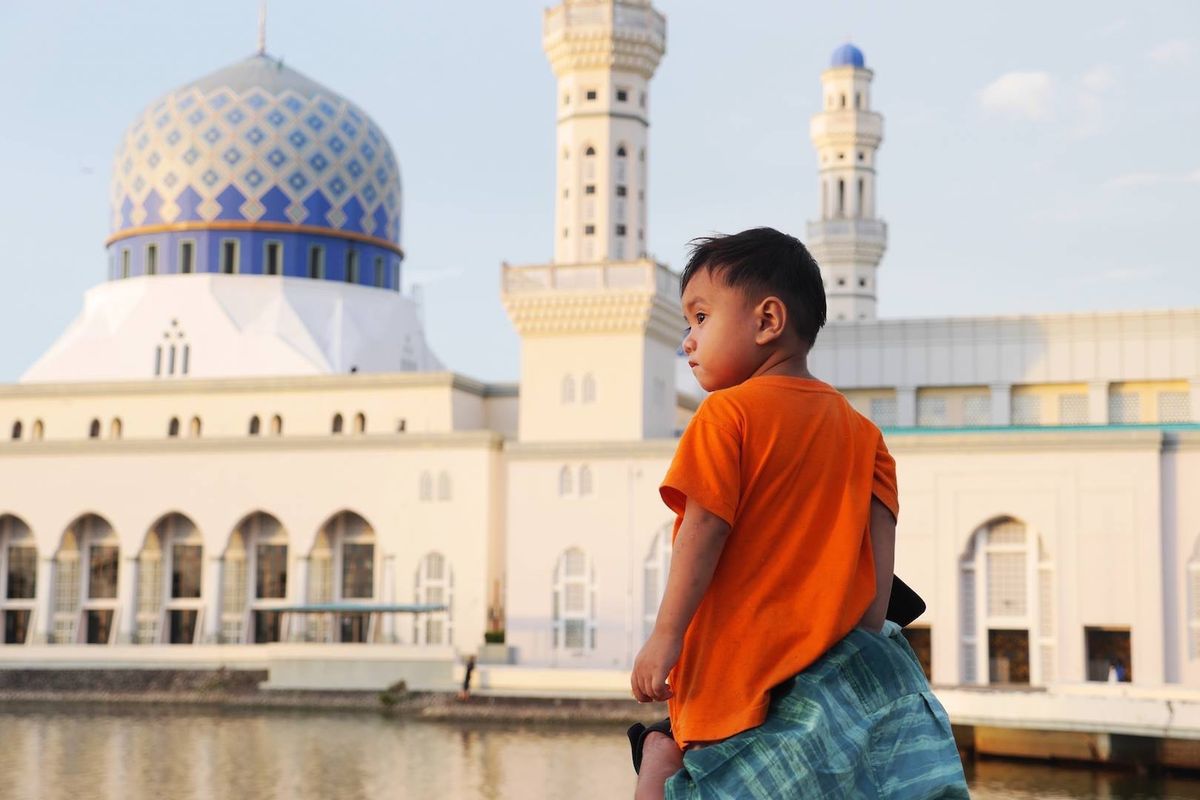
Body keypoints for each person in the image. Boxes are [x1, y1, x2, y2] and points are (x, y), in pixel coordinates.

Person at [628, 228, 967, 799]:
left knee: (669, 767)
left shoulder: (725, 416)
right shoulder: (865, 436)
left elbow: (703, 530)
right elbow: (877, 590)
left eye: (701, 317)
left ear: (767, 321)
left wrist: (665, 638)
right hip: (823, 698)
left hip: (731, 686)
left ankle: (656, 763)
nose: (687, 340)